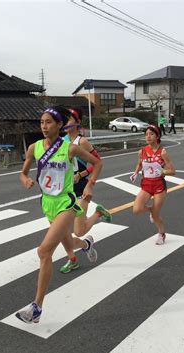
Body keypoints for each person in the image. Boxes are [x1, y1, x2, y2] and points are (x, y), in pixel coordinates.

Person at [16, 106, 103, 324]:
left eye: (49, 122)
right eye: (42, 122)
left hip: (66, 202)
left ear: (58, 125)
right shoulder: (34, 148)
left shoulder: (70, 148)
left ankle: (37, 306)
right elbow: (23, 170)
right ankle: (86, 245)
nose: (44, 126)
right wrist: (24, 179)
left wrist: (90, 185)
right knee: (69, 243)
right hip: (47, 204)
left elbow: (97, 163)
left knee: (44, 251)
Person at [59, 107, 112, 274]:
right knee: (62, 232)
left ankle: (98, 214)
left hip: (81, 187)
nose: (65, 121)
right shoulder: (61, 140)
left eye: (69, 118)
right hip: (66, 191)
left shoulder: (81, 142)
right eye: (64, 118)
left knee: (78, 231)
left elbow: (97, 162)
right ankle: (73, 258)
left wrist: (83, 175)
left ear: (77, 122)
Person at [130, 125, 175, 245]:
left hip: (159, 186)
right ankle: (150, 209)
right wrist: (135, 173)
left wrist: (163, 171)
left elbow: (173, 171)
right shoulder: (142, 151)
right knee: (136, 209)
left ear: (157, 136)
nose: (148, 136)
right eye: (146, 134)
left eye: (151, 134)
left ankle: (161, 233)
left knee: (156, 216)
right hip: (146, 184)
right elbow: (139, 164)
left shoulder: (163, 152)